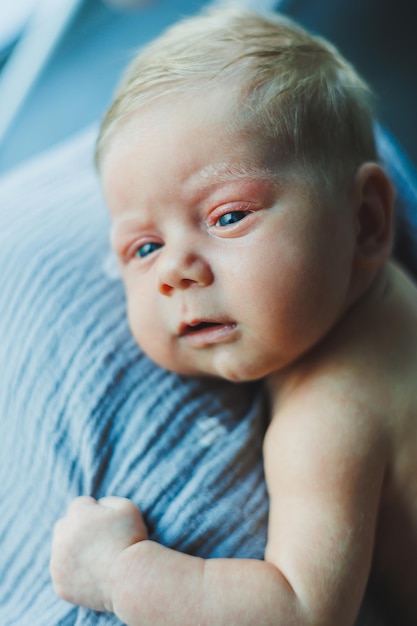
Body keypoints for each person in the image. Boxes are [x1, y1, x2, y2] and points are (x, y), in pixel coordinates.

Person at [49, 7, 417, 626]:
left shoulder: (333, 412)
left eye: (226, 217)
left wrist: (118, 573)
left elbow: (300, 609)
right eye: (143, 248)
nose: (176, 273)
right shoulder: (383, 300)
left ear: (366, 222)